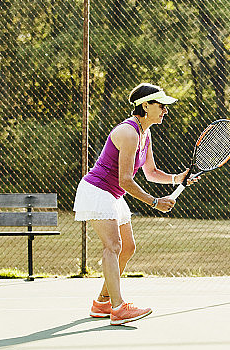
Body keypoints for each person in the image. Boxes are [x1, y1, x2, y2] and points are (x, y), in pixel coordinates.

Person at [73, 83, 195, 325]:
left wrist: (177, 178)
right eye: (161, 106)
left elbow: (150, 172)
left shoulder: (145, 133)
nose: (165, 111)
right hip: (97, 191)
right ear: (145, 105)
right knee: (113, 246)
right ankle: (118, 308)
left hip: (113, 194)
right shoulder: (128, 133)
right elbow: (125, 180)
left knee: (128, 247)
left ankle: (101, 302)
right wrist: (154, 202)